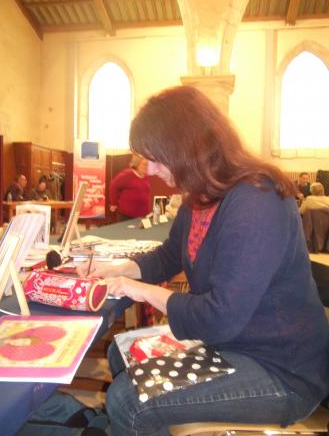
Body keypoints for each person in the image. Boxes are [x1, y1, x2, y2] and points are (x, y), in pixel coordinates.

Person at [78, 86, 329, 436]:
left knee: (128, 400)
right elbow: (169, 255)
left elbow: (219, 318)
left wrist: (141, 291)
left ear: (185, 147)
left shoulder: (257, 201)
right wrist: (116, 269)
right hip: (235, 341)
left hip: (281, 368)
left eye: (155, 157)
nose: (149, 169)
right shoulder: (201, 194)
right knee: (124, 353)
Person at [109, 154, 151, 221]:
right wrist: (113, 203)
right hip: (127, 216)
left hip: (143, 215)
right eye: (144, 164)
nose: (147, 167)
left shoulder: (146, 176)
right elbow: (113, 185)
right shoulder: (127, 174)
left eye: (147, 164)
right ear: (136, 164)